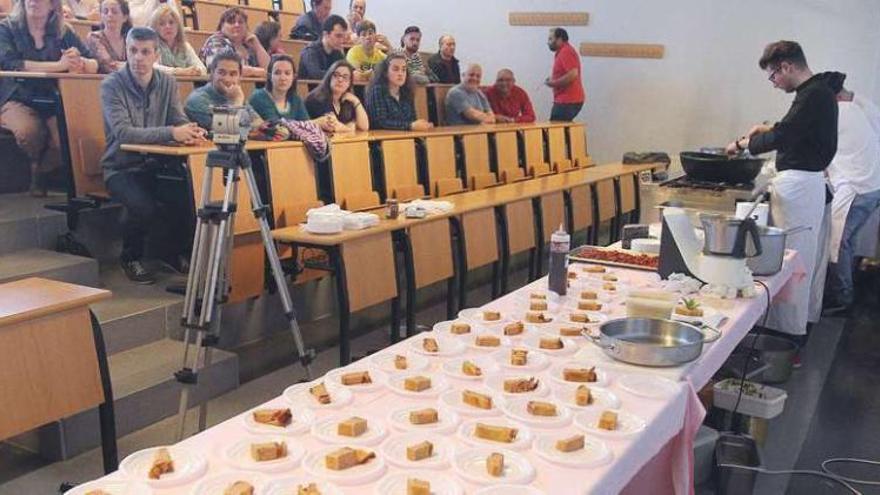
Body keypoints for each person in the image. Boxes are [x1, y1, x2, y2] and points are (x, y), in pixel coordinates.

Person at [725, 40, 838, 343]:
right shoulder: (816, 92)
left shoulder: (812, 94)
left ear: (787, 66)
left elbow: (786, 135)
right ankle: (793, 330)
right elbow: (796, 129)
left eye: (774, 75)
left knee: (791, 262)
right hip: (806, 186)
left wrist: (742, 145)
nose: (774, 83)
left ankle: (785, 337)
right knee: (800, 260)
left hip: (799, 190)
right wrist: (767, 129)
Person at [101, 27, 206, 283]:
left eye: (145, 52)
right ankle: (130, 256)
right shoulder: (111, 85)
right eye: (133, 51)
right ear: (126, 51)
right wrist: (172, 131)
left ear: (157, 55)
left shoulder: (167, 82)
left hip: (157, 164)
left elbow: (177, 118)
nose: (138, 58)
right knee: (144, 206)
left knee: (187, 196)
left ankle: (172, 252)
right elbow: (124, 132)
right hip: (120, 167)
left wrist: (191, 131)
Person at [0, 0, 98, 196]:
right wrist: (60, 65)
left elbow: (94, 63)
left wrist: (80, 62)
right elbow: (11, 63)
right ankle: (35, 168)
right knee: (29, 131)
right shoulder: (7, 28)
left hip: (52, 99)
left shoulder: (64, 31)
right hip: (16, 96)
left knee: (66, 137)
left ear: (53, 5)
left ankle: (42, 170)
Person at [816, 72, 880, 314]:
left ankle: (841, 299)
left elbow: (816, 144)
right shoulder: (861, 105)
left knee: (839, 242)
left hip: (858, 187)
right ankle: (844, 290)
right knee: (847, 241)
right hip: (873, 184)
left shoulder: (839, 113)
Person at [185, 50, 262, 130]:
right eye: (221, 73)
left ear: (240, 77)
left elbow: (259, 123)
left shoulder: (234, 94)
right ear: (212, 74)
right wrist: (237, 102)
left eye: (233, 74)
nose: (227, 79)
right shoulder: (198, 99)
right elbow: (224, 131)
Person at [365, 52, 432, 131]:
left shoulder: (407, 91)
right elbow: (380, 122)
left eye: (403, 70)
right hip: (384, 140)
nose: (400, 74)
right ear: (385, 72)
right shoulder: (377, 90)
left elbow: (413, 119)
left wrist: (421, 125)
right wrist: (410, 126)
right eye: (395, 69)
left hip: (406, 138)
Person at [199, 7, 269, 78]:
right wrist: (255, 72)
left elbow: (270, 70)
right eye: (231, 22)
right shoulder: (215, 41)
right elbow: (220, 68)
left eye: (240, 22)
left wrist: (258, 46)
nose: (237, 25)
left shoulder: (248, 44)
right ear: (222, 26)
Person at [305, 59, 369, 132]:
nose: (340, 79)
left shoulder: (348, 99)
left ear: (349, 83)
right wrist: (349, 128)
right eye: (336, 75)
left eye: (345, 77)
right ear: (329, 77)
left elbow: (364, 127)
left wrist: (356, 101)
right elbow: (333, 127)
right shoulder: (316, 99)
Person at [248, 54, 309, 121]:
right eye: (277, 73)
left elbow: (306, 124)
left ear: (294, 77)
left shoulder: (295, 99)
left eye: (287, 73)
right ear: (269, 76)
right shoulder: (259, 97)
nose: (283, 78)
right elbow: (276, 127)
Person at [150, 5, 205, 75]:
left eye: (171, 22)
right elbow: (153, 67)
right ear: (155, 28)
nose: (168, 27)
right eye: (162, 24)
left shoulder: (185, 46)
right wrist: (178, 71)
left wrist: (196, 71)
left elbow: (202, 69)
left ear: (178, 26)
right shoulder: (153, 46)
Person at [545, 27, 584, 121]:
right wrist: (554, 79)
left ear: (559, 39)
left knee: (555, 132)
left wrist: (553, 83)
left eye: (550, 39)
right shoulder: (565, 51)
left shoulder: (566, 51)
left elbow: (573, 74)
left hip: (567, 100)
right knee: (562, 132)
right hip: (569, 100)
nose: (548, 42)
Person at [85, 0, 131, 73]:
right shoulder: (94, 37)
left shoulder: (129, 39)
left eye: (114, 12)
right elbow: (107, 65)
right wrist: (130, 66)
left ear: (125, 17)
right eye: (105, 12)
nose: (109, 15)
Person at [297, 14, 346, 80]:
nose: (341, 41)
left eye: (343, 36)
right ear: (325, 34)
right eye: (338, 36)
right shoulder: (310, 51)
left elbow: (348, 70)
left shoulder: (337, 52)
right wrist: (342, 75)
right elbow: (316, 75)